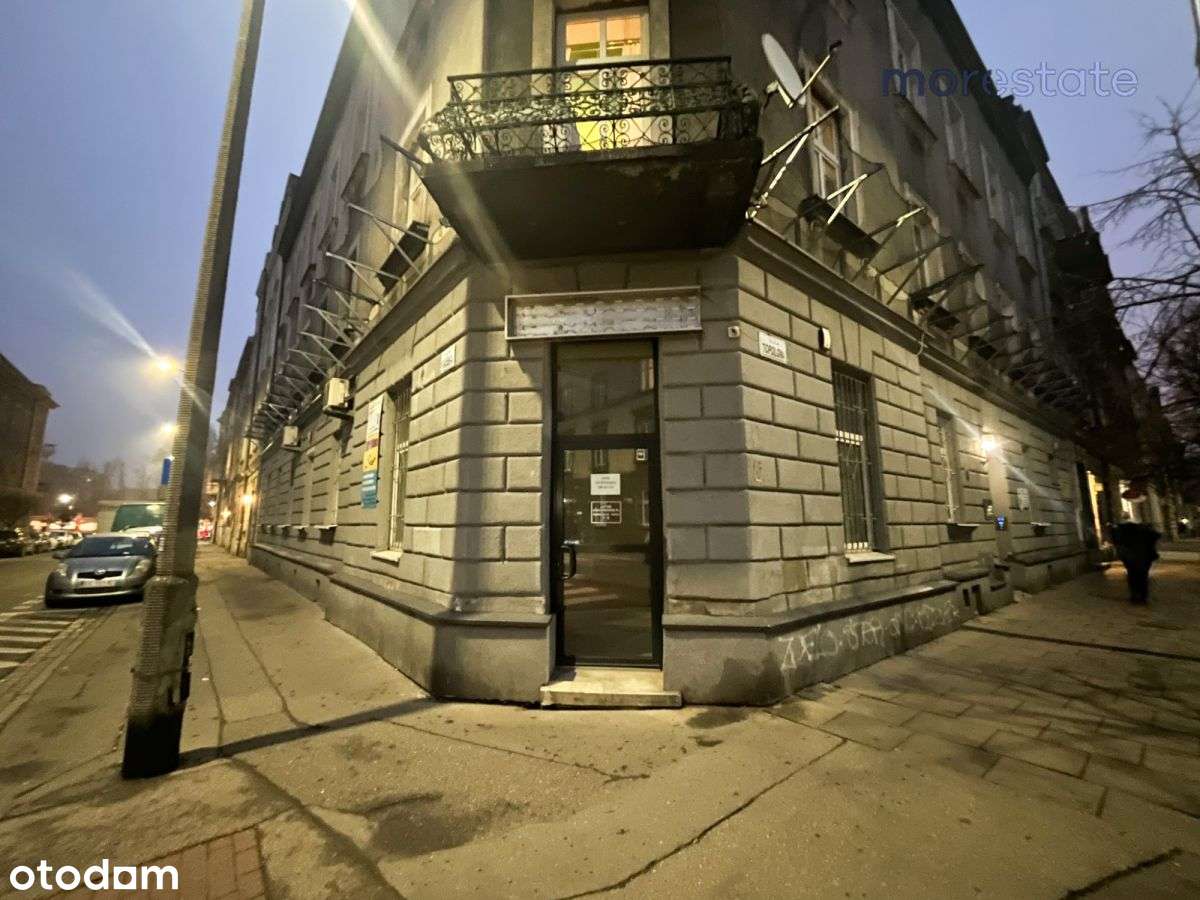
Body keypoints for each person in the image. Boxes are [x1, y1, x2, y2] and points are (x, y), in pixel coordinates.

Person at [1110, 519, 1162, 605]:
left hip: (1132, 559)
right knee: (1143, 577)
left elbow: (1116, 539)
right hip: (1144, 558)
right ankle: (1143, 596)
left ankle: (1135, 595)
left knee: (1133, 576)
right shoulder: (1144, 532)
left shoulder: (1125, 533)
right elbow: (1156, 536)